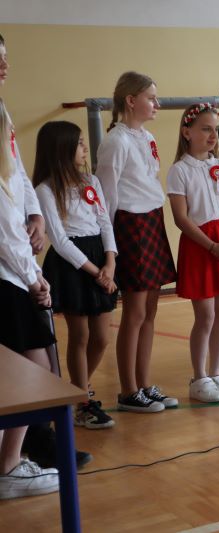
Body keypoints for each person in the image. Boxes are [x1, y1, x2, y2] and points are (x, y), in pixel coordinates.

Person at [96, 71, 178, 412]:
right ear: (131, 101)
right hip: (130, 225)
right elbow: (106, 198)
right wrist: (110, 248)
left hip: (151, 219)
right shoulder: (116, 141)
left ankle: (144, 383)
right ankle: (128, 390)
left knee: (151, 309)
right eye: (151, 98)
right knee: (135, 310)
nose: (157, 104)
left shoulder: (147, 137)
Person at [33, 121, 118, 428]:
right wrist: (97, 272)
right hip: (72, 265)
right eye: (79, 143)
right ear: (62, 149)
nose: (84, 148)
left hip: (99, 258)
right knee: (80, 335)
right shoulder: (45, 190)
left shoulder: (90, 180)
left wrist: (110, 262)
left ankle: (77, 388)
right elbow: (59, 240)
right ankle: (83, 402)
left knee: (101, 337)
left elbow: (105, 223)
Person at [0, 97, 60, 499]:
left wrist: (35, 214)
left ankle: (8, 460)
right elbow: (6, 229)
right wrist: (33, 275)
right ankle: (9, 465)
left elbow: (18, 174)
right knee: (34, 371)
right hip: (8, 279)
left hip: (13, 274)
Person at [167, 103, 219, 402]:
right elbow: (181, 218)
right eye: (205, 129)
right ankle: (199, 377)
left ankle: (216, 372)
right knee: (206, 315)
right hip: (200, 244)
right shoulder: (179, 170)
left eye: (215, 130)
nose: (213, 135)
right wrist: (211, 246)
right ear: (187, 132)